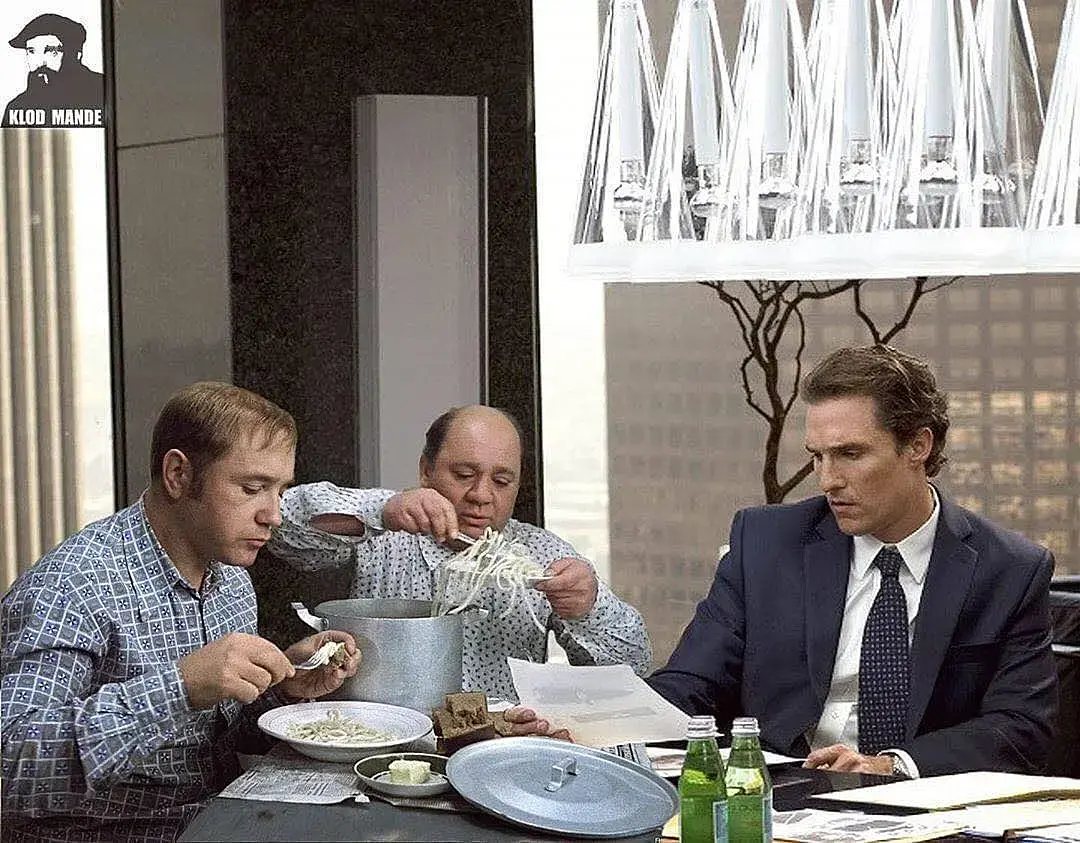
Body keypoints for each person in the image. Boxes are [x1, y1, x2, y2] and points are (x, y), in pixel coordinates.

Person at [647, 345, 1057, 779]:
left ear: (917, 445)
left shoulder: (1009, 570)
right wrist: (615, 725)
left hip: (919, 798)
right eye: (817, 456)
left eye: (850, 454)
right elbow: (693, 684)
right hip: (781, 792)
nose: (828, 480)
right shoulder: (764, 543)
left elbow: (1021, 726)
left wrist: (890, 765)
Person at [0, 382, 360, 843]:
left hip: (216, 822)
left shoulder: (231, 577)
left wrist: (283, 687)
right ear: (177, 474)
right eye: (252, 488)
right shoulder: (72, 584)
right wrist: (179, 688)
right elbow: (13, 766)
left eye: (279, 491)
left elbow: (212, 747)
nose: (273, 515)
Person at [269, 404, 651, 705]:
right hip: (381, 738)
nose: (481, 495)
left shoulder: (541, 555)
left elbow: (634, 667)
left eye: (502, 481)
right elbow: (281, 524)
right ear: (426, 470)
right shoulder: (381, 536)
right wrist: (381, 510)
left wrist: (588, 609)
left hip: (499, 745)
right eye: (464, 475)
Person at [2, 13, 104, 128]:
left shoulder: (103, 91)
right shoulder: (18, 108)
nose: (40, 63)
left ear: (76, 55)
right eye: (31, 51)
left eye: (51, 51)